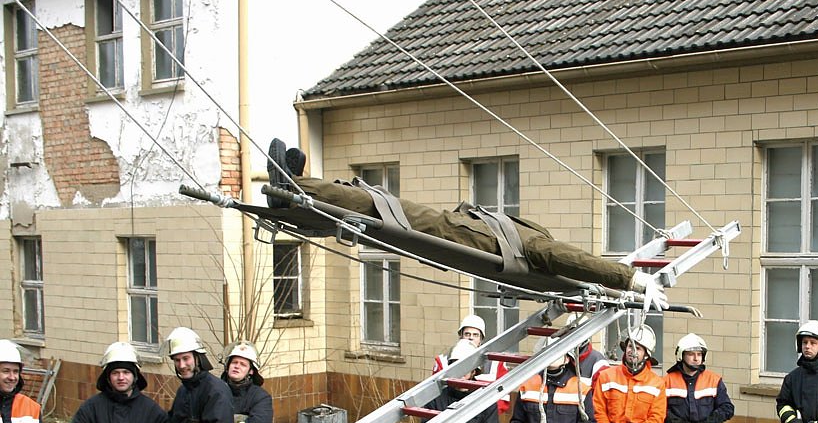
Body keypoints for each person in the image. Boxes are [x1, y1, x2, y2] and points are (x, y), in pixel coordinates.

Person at [265, 139, 667, 310]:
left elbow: (577, 260)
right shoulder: (541, 250)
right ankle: (301, 190)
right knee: (378, 212)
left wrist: (631, 280)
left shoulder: (542, 249)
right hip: (466, 232)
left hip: (461, 234)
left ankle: (294, 185)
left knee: (380, 206)